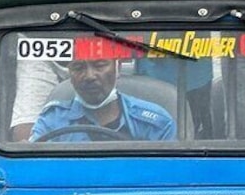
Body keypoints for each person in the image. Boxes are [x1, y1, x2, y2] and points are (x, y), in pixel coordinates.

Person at [30, 59, 176, 142]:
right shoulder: (52, 120)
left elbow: (169, 178)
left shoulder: (156, 123)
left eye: (99, 65)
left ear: (117, 68)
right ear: (70, 74)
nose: (89, 76)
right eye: (78, 67)